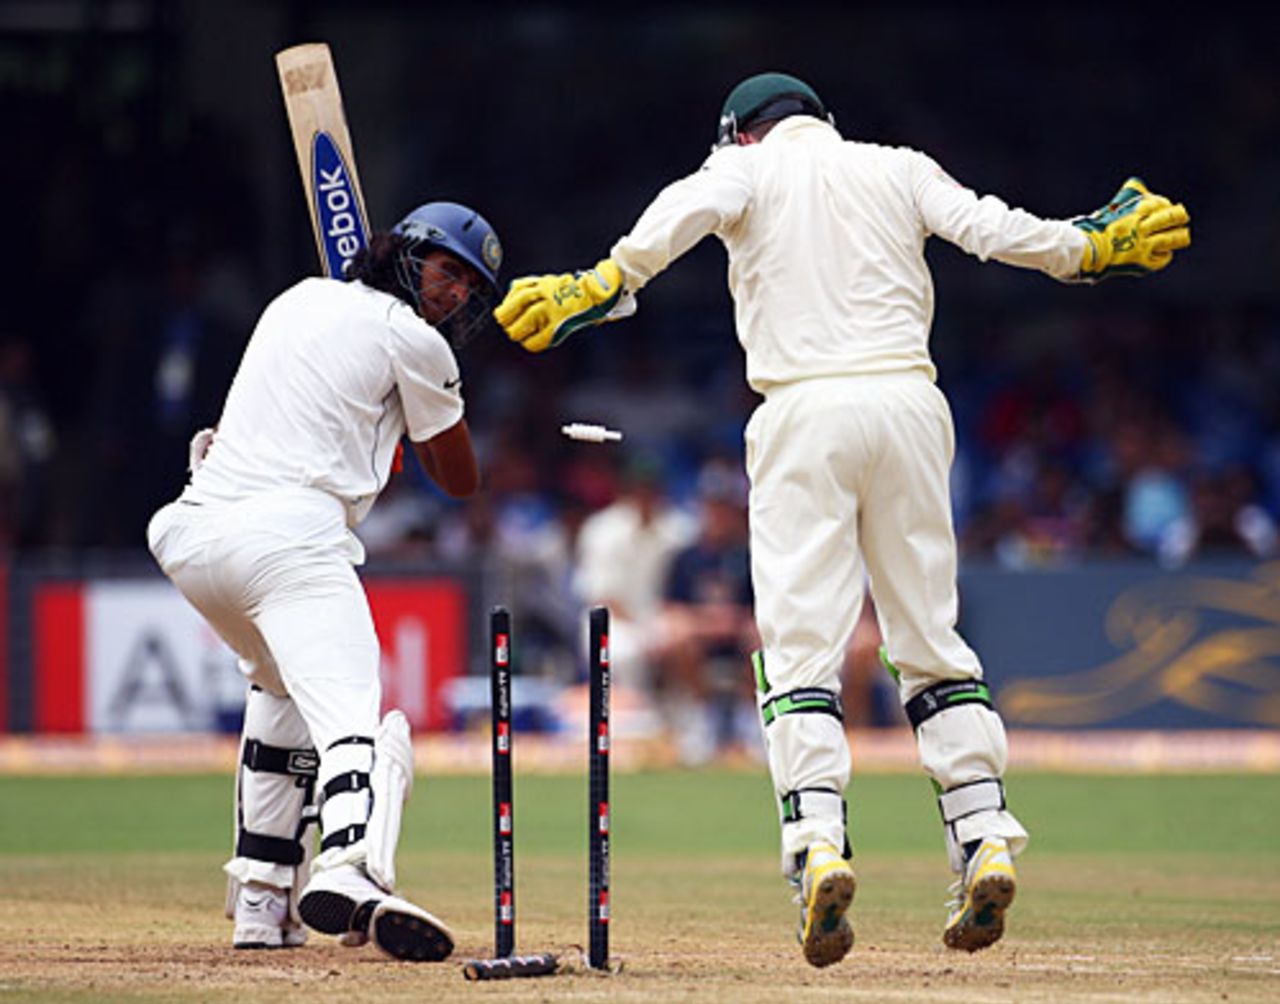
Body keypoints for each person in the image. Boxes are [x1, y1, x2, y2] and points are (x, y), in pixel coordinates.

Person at [492, 72, 1190, 966]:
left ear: (740, 133)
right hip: (909, 402)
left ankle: (818, 844)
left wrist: (605, 279)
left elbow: (683, 207)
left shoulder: (742, 170)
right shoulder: (895, 165)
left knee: (799, 648)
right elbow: (994, 228)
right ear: (823, 121)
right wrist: (1086, 248)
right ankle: (983, 836)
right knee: (928, 635)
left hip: (803, 413)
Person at [147, 201, 503, 960]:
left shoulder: (297, 298)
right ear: (408, 256)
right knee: (356, 722)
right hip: (289, 537)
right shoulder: (417, 343)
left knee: (279, 697)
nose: (458, 296)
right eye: (449, 272)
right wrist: (415, 414)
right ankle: (350, 865)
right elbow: (460, 477)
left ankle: (261, 899)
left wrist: (390, 421)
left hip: (194, 530)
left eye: (471, 287)